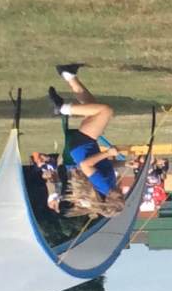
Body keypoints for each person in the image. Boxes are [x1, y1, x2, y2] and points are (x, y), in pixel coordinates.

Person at [47, 65, 127, 215]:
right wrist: (125, 163)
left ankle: (62, 108)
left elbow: (85, 165)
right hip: (85, 145)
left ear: (109, 199)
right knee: (90, 104)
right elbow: (105, 167)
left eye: (120, 197)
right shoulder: (109, 185)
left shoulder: (103, 185)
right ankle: (69, 74)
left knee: (105, 111)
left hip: (82, 145)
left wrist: (108, 153)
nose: (122, 193)